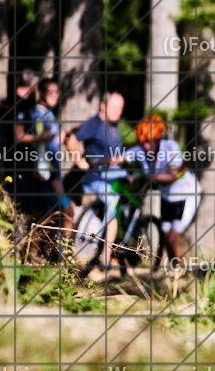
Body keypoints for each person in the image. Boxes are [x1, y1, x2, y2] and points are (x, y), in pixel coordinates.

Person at [124, 114, 201, 269]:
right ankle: (178, 272)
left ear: (158, 138)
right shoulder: (140, 150)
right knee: (166, 238)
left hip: (186, 195)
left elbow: (172, 176)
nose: (145, 146)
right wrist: (96, 161)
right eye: (142, 142)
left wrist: (150, 176)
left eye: (148, 142)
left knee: (173, 237)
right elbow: (118, 159)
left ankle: (184, 273)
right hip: (167, 198)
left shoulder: (171, 148)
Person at [66, 92, 126, 266]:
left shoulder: (114, 126)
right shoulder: (95, 123)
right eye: (114, 106)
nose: (118, 111)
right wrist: (78, 160)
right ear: (103, 105)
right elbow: (71, 138)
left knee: (115, 211)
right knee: (113, 204)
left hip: (109, 180)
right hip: (93, 181)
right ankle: (105, 258)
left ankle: (107, 255)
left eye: (121, 107)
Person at [18, 77, 75, 231]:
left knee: (45, 220)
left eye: (57, 92)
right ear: (41, 93)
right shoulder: (39, 115)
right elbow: (40, 146)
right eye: (50, 92)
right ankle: (64, 252)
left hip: (48, 175)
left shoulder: (47, 114)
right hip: (47, 176)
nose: (55, 95)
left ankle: (46, 253)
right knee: (66, 213)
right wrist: (51, 177)